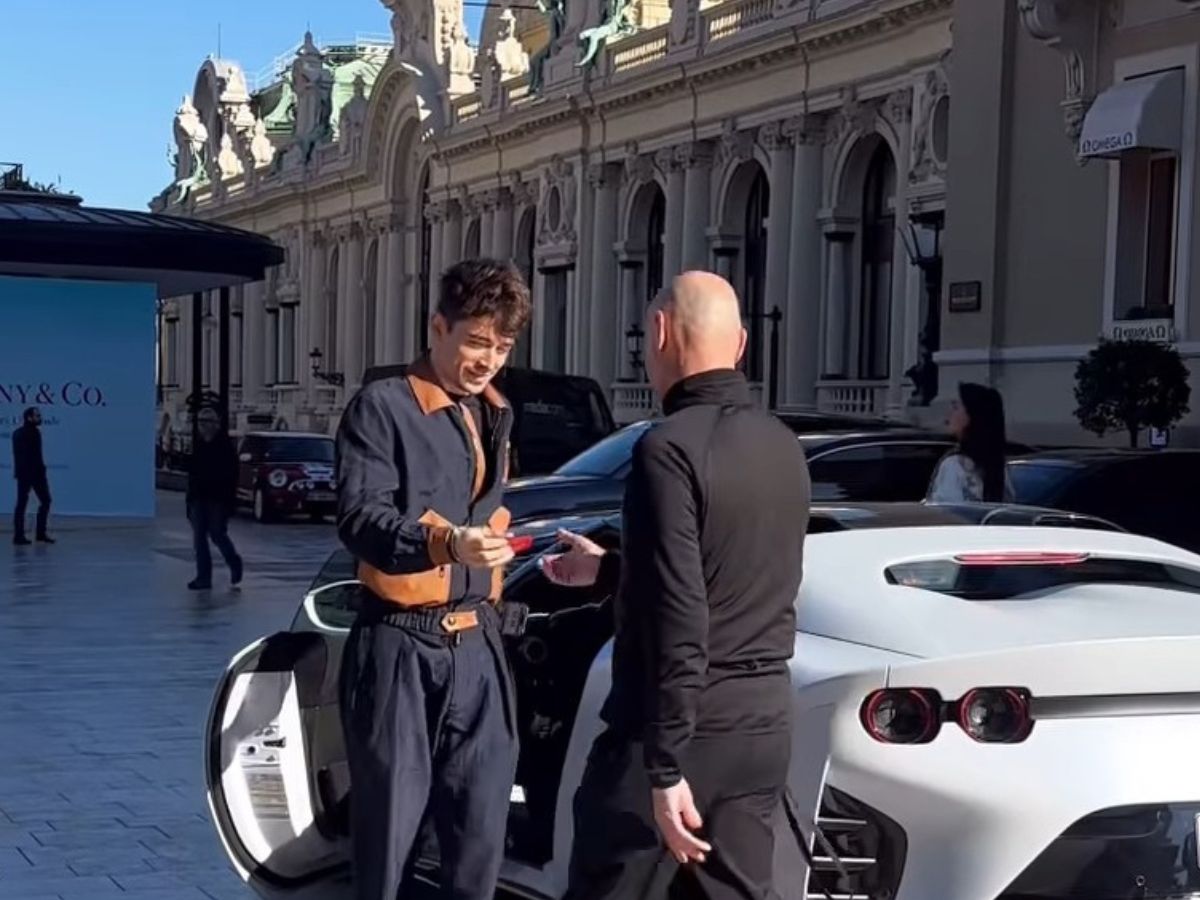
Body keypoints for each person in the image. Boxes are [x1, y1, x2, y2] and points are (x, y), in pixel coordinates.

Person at [541, 271, 811, 900]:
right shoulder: (783, 445)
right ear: (741, 344)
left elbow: (680, 613)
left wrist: (663, 765)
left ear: (659, 332)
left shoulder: (667, 449)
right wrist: (610, 570)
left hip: (677, 731)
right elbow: (731, 578)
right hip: (764, 725)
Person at [335, 258, 532, 900]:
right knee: (389, 846)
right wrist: (447, 544)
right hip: (400, 648)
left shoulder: (498, 413)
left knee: (479, 843)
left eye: (501, 347)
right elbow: (361, 519)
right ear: (437, 327)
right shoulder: (383, 407)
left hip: (478, 650)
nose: (488, 360)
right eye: (475, 341)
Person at [926, 381, 1014, 503]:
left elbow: (947, 511)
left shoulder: (954, 466)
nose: (949, 414)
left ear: (972, 416)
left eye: (956, 407)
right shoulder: (999, 468)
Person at [186, 406, 243, 590]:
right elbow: (193, 474)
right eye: (200, 422)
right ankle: (204, 577)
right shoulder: (199, 445)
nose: (202, 426)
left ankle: (234, 563)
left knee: (217, 534)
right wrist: (190, 499)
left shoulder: (224, 447)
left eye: (206, 422)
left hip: (218, 499)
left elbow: (231, 475)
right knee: (199, 539)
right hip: (199, 498)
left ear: (215, 424)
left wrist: (229, 502)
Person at [12, 406, 53, 546]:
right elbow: (29, 456)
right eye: (37, 416)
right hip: (31, 474)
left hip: (27, 474)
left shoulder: (21, 433)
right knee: (33, 503)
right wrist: (39, 471)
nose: (39, 418)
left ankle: (27, 534)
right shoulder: (29, 433)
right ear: (29, 417)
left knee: (26, 504)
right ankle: (29, 535)